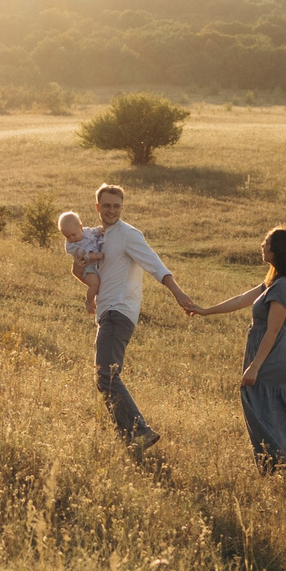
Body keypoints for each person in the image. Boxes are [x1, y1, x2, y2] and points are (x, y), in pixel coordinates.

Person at [184, 226, 286, 474]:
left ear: (278, 250)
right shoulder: (274, 283)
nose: (262, 246)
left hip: (275, 356)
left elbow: (272, 331)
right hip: (277, 355)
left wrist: (254, 366)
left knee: (261, 403)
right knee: (281, 406)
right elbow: (242, 299)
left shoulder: (283, 287)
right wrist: (205, 310)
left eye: (267, 242)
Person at [78, 183, 195, 449]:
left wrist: (177, 293)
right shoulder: (97, 238)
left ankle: (139, 431)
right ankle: (128, 437)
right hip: (107, 311)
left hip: (119, 312)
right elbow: (89, 276)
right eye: (106, 205)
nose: (111, 210)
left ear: (122, 207)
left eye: (116, 206)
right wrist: (79, 268)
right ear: (97, 207)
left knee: (106, 375)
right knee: (104, 377)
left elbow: (155, 265)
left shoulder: (129, 234)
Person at [57, 209, 104, 306]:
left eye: (73, 234)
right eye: (67, 236)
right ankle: (90, 301)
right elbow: (83, 254)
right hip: (87, 267)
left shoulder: (86, 231)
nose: (71, 238)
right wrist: (95, 256)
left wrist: (100, 230)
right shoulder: (71, 245)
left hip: (96, 264)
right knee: (95, 284)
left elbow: (93, 231)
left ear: (81, 227)